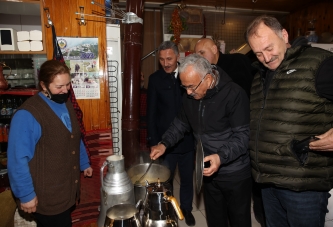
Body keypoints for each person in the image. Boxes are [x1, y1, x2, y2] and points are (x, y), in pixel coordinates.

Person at [245, 15, 333, 227]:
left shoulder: (318, 62)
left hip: (303, 185)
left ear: (284, 35)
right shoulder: (259, 76)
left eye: (269, 48)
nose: (266, 58)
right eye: (258, 53)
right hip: (267, 182)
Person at [150, 54, 252, 227]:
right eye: (184, 87)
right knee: (215, 219)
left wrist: (220, 157)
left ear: (209, 78)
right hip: (208, 169)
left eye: (191, 87)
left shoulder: (234, 94)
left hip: (235, 172)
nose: (188, 92)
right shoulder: (191, 96)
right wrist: (164, 143)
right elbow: (180, 123)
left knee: (238, 220)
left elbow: (243, 136)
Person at [7, 60, 93, 227]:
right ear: (44, 85)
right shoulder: (27, 115)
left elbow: (73, 136)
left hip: (65, 189)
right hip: (47, 194)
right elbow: (17, 160)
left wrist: (84, 163)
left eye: (68, 85)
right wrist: (26, 195)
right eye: (59, 86)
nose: (65, 90)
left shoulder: (65, 103)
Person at [195, 37, 266, 227]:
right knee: (217, 210)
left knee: (241, 205)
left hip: (242, 130)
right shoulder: (202, 78)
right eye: (197, 54)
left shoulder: (236, 62)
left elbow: (251, 90)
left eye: (202, 52)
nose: (199, 57)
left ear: (215, 49)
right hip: (218, 142)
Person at [147, 41, 196, 226]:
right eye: (161, 59)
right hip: (164, 142)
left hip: (187, 139)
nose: (165, 63)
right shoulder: (155, 79)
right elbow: (150, 113)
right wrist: (153, 140)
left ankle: (186, 209)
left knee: (186, 179)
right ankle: (170, 210)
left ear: (177, 56)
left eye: (169, 58)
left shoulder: (187, 74)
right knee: (166, 181)